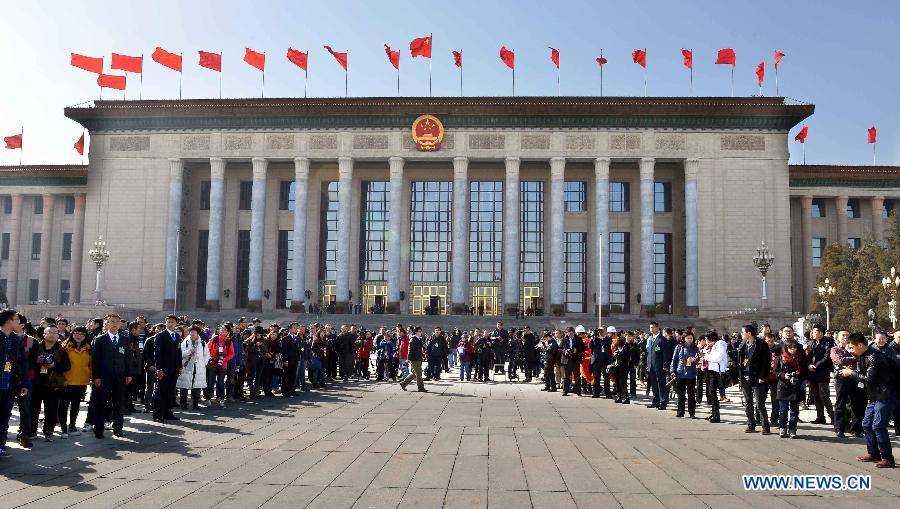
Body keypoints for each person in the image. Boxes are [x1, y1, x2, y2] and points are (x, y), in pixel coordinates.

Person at [841, 332, 895, 468]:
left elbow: (868, 378)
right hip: (873, 396)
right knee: (866, 424)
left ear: (860, 345)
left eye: (852, 348)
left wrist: (850, 373)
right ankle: (874, 453)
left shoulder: (874, 356)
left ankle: (887, 458)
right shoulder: (863, 355)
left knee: (878, 426)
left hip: (884, 395)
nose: (851, 351)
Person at [89, 314, 132, 438]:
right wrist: (96, 377)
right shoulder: (100, 339)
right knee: (101, 403)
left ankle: (118, 428)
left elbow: (128, 358)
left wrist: (129, 373)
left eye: (117, 322)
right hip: (103, 377)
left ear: (120, 324)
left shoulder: (125, 339)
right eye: (112, 321)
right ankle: (99, 430)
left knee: (118, 403)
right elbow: (95, 360)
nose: (114, 324)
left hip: (120, 376)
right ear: (106, 323)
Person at [30, 324, 69, 441]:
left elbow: (67, 366)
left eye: (55, 333)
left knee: (51, 409)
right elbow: (27, 362)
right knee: (33, 408)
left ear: (58, 336)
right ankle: (32, 430)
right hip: (36, 382)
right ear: (44, 334)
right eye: (50, 332)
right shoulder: (36, 347)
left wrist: (54, 365)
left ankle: (48, 430)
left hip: (53, 383)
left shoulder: (61, 349)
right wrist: (36, 360)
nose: (52, 335)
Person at [0, 310, 29, 458]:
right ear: (8, 321)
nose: (20, 322)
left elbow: (23, 363)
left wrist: (24, 383)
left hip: (10, 384)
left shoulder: (16, 339)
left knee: (5, 416)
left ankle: (1, 445)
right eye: (17, 319)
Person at [831, 329, 865, 438]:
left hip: (855, 377)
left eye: (847, 335)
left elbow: (862, 359)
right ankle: (839, 428)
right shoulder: (835, 349)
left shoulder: (855, 348)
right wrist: (854, 357)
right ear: (838, 338)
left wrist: (852, 356)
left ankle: (856, 429)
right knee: (840, 404)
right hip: (841, 378)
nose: (845, 337)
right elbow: (840, 361)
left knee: (857, 404)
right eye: (843, 335)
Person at [737, 324, 771, 434]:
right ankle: (751, 424)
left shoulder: (761, 344)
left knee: (760, 403)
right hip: (745, 377)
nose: (741, 334)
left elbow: (766, 362)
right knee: (748, 403)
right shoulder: (743, 344)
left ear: (749, 333)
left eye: (743, 332)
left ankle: (765, 426)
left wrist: (762, 376)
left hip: (757, 378)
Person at [58, 326, 91, 438]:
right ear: (72, 334)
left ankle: (72, 426)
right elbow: (60, 365)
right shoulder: (64, 347)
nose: (78, 336)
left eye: (82, 334)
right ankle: (63, 428)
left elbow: (90, 364)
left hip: (81, 381)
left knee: (76, 405)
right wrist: (62, 379)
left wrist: (90, 377)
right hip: (67, 382)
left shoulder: (88, 348)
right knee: (63, 405)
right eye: (76, 333)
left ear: (85, 336)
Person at [774, 339, 806, 438]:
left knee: (794, 411)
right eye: (791, 348)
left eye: (795, 347)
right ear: (786, 348)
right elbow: (774, 372)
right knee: (783, 410)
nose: (793, 350)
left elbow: (805, 372)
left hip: (796, 387)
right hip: (784, 387)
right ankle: (782, 427)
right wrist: (784, 375)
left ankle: (793, 429)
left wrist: (799, 375)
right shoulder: (781, 358)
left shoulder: (800, 358)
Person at [152, 315, 181, 423]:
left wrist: (179, 366)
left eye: (172, 322)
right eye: (168, 322)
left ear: (176, 323)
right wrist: (159, 368)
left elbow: (179, 352)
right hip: (163, 369)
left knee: (170, 392)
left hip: (174, 369)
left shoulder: (177, 336)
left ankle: (167, 413)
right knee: (160, 391)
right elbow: (157, 353)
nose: (170, 324)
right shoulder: (160, 336)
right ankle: (157, 415)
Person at [807, 323, 835, 425]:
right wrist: (809, 364)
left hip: (822, 372)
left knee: (824, 396)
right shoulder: (811, 343)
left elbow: (826, 357)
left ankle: (833, 417)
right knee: (816, 396)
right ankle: (820, 417)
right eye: (813, 332)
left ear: (821, 333)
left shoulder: (828, 342)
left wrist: (816, 365)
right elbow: (808, 356)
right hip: (812, 373)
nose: (813, 334)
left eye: (815, 332)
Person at [177, 326, 210, 410]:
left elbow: (207, 354)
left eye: (194, 334)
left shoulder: (202, 343)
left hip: (199, 367)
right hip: (187, 366)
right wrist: (189, 351)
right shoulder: (185, 342)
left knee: (197, 386)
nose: (192, 335)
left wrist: (204, 363)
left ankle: (195, 403)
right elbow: (181, 354)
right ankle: (183, 403)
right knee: (184, 386)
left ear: (198, 334)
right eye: (191, 334)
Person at [670, 331, 700, 418]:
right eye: (688, 338)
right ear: (684, 338)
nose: (690, 340)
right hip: (680, 373)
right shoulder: (679, 347)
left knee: (691, 395)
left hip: (691, 374)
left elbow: (698, 359)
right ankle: (680, 411)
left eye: (691, 338)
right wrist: (673, 371)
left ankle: (692, 413)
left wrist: (694, 360)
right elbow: (674, 360)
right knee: (681, 394)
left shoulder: (695, 348)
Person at [646, 322, 673, 409]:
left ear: (658, 328)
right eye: (650, 327)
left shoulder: (662, 339)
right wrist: (648, 364)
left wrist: (665, 365)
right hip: (652, 366)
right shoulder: (650, 339)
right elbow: (649, 353)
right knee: (654, 384)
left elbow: (666, 354)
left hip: (660, 366)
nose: (651, 329)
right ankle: (655, 401)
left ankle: (663, 402)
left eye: (653, 327)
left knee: (661, 385)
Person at [703, 330, 728, 423]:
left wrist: (706, 356)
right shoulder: (715, 346)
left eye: (706, 339)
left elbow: (717, 358)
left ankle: (716, 415)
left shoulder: (720, 345)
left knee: (712, 393)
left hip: (717, 372)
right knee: (711, 393)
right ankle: (714, 413)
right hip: (712, 371)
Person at [207, 324, 234, 406]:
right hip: (212, 364)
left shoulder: (229, 341)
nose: (222, 330)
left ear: (228, 332)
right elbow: (207, 349)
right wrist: (211, 357)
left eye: (224, 329)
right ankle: (208, 399)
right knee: (210, 382)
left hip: (222, 365)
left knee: (220, 383)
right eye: (221, 329)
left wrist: (224, 359)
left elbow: (232, 353)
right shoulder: (214, 339)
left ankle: (222, 399)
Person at [399, 327, 426, 392]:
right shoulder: (413, 339)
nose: (420, 332)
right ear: (416, 332)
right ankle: (421, 387)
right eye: (419, 331)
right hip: (414, 359)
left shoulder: (419, 339)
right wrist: (408, 359)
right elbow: (410, 350)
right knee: (419, 374)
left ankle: (403, 383)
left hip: (418, 358)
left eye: (421, 331)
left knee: (414, 373)